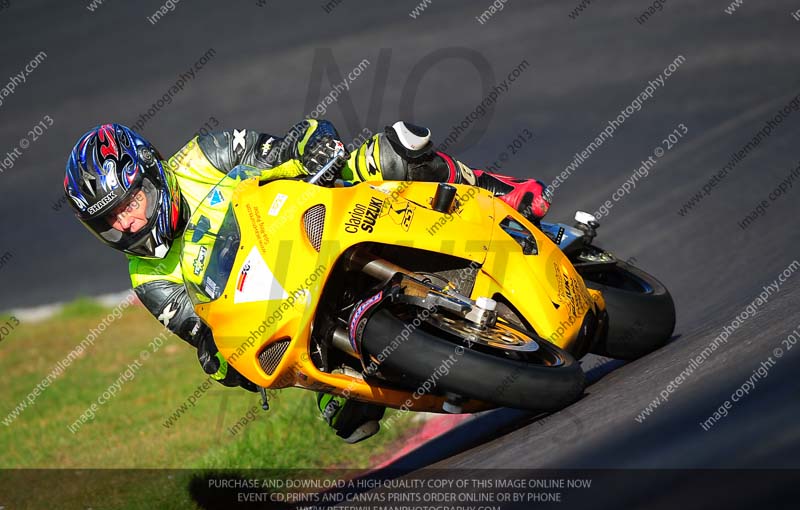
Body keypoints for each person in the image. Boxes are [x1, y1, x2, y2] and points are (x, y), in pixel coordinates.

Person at [63, 120, 551, 443]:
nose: (127, 225)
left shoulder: (201, 156)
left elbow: (279, 147)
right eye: (110, 221)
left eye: (130, 205)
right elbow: (204, 333)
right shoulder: (147, 277)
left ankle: (500, 192)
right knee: (345, 417)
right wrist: (219, 361)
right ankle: (397, 368)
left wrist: (309, 143)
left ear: (152, 176)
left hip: (317, 219)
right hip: (284, 301)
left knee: (394, 151)